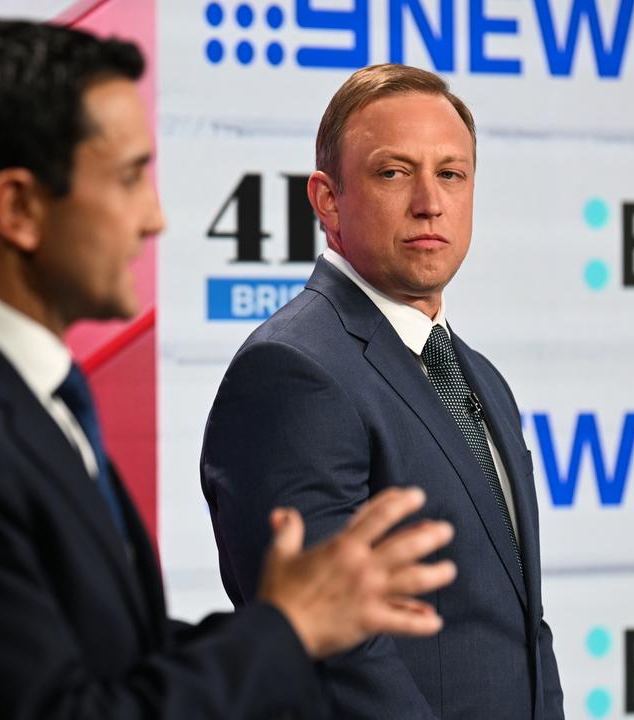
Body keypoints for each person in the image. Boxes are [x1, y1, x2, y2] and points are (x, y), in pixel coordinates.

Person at [0, 22, 458, 719]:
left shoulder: (15, 398)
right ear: (19, 208)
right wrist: (288, 630)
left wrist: (297, 617)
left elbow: (110, 652)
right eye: (127, 179)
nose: (154, 218)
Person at [201, 64, 565, 719]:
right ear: (327, 200)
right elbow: (334, 651)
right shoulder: (292, 371)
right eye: (394, 172)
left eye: (451, 174)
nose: (430, 201)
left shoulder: (479, 375)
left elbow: (523, 626)